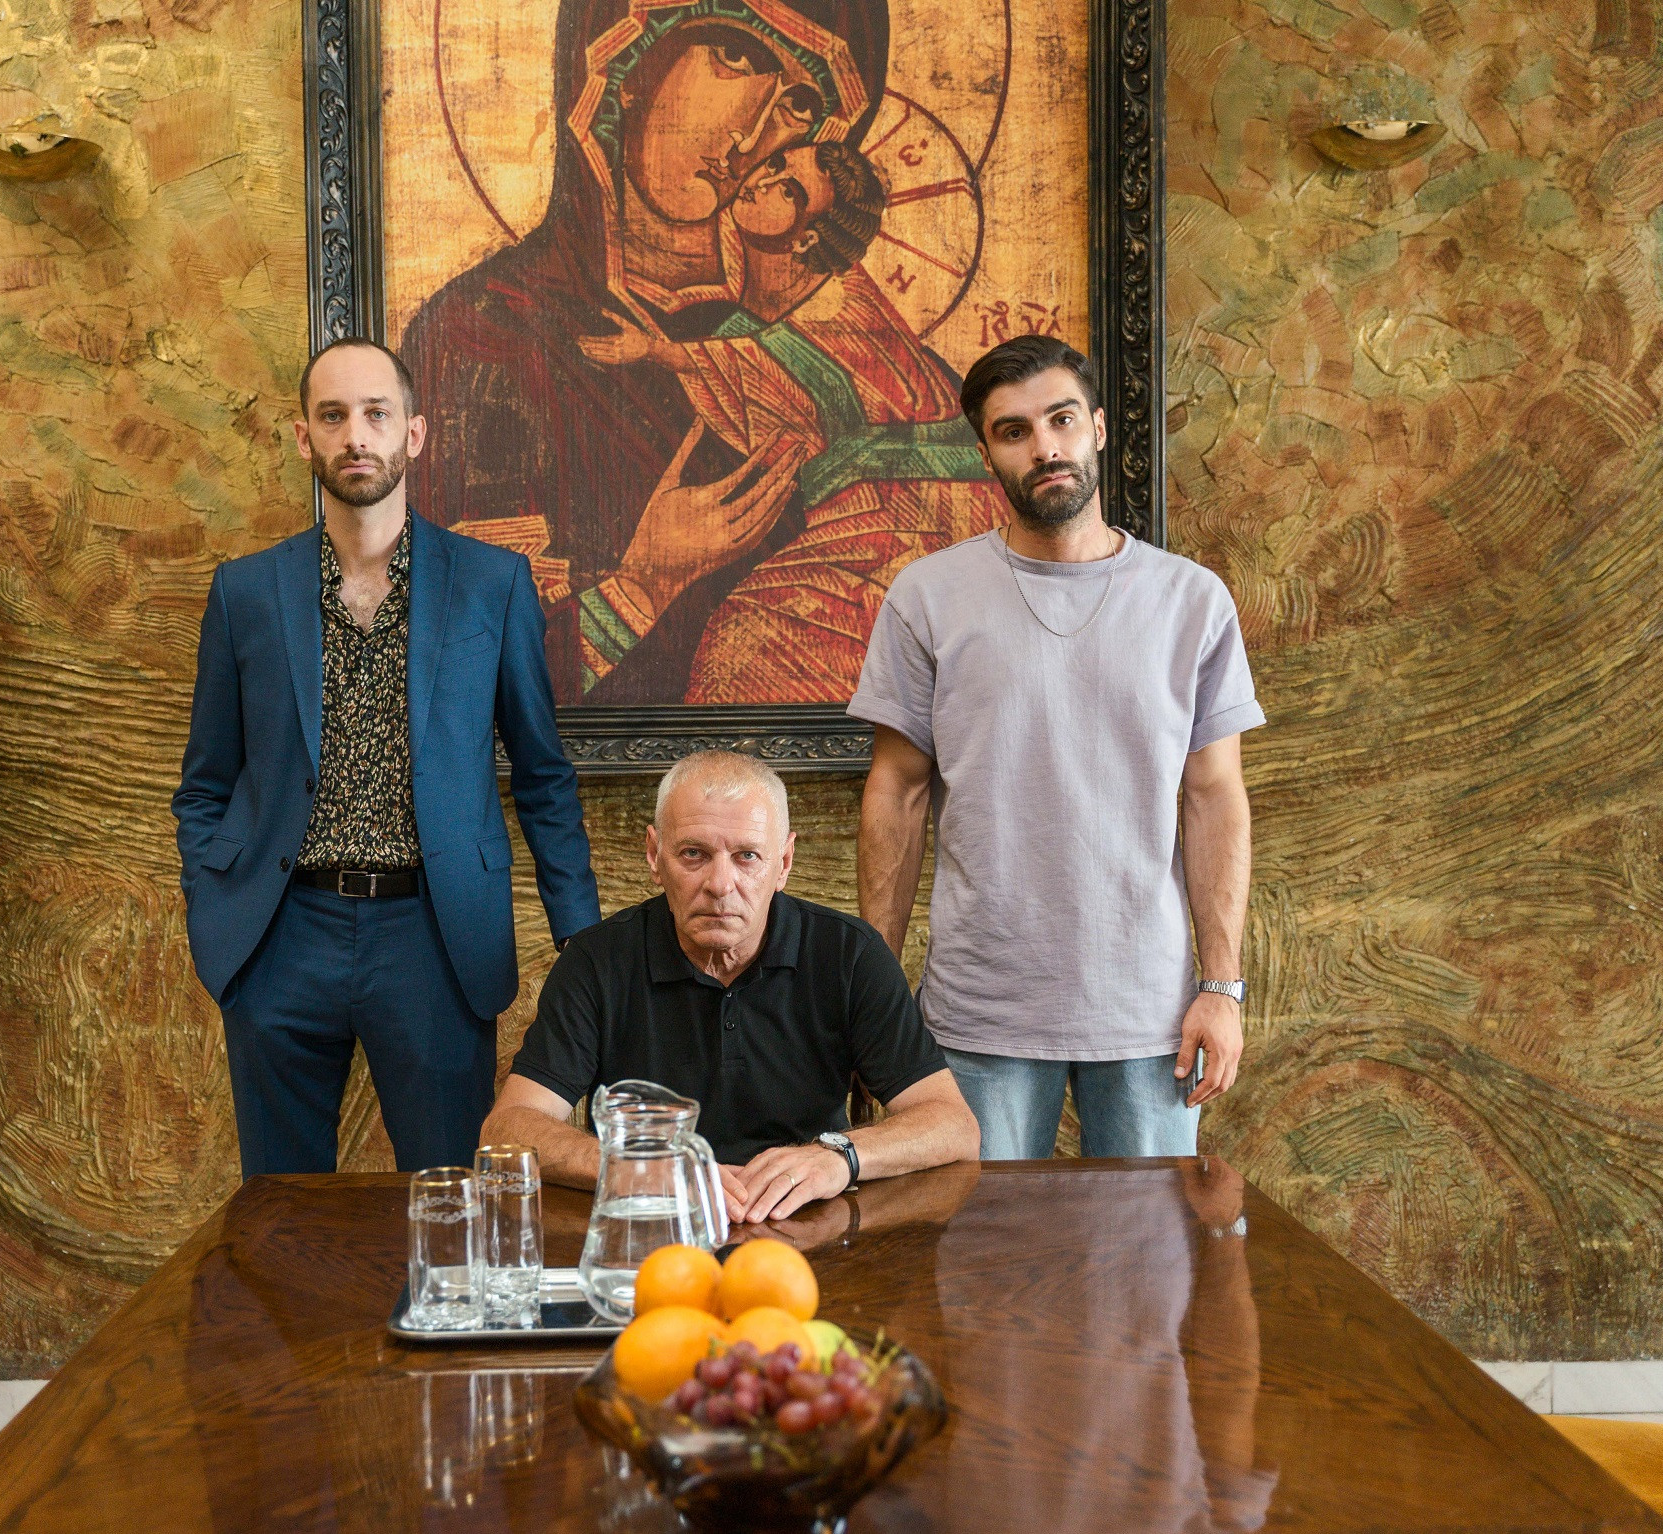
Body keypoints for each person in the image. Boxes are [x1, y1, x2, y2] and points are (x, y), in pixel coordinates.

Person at [172, 339, 601, 1176]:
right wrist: (214, 907)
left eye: (376, 413)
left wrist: (585, 950)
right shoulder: (245, 593)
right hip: (281, 935)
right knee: (282, 1215)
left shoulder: (492, 585)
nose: (356, 435)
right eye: (333, 416)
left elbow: (544, 779)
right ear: (305, 438)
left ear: (415, 432)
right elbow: (205, 784)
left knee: (452, 1199)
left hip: (435, 937)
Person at [401, 0, 904, 704]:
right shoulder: (485, 333)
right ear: (626, 65)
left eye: (798, 105)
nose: (751, 134)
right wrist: (643, 585)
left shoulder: (827, 368)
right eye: (735, 56)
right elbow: (462, 673)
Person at [852, 334, 1264, 1159]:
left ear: (1098, 428)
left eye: (1061, 419)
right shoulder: (928, 597)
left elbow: (1214, 795)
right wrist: (876, 1004)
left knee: (1146, 1240)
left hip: (1150, 1013)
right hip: (980, 1010)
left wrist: (1221, 987)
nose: (1044, 447)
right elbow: (896, 791)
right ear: (986, 454)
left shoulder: (1192, 601)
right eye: (1014, 431)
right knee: (981, 1239)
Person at [573, 143, 1005, 703]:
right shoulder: (752, 315)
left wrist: (655, 350)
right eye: (776, 164)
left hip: (894, 536)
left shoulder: (841, 306)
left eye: (788, 191)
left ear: (806, 239)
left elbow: (785, 362)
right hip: (853, 533)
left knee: (745, 651)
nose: (761, 179)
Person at [480, 750, 979, 1223]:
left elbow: (953, 1125)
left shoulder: (850, 954)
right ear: (654, 856)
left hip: (808, 1221)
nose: (720, 884)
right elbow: (506, 1130)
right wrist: (645, 1168)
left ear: (783, 863)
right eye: (693, 854)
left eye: (747, 856)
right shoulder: (596, 961)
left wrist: (839, 1156)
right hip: (652, 1222)